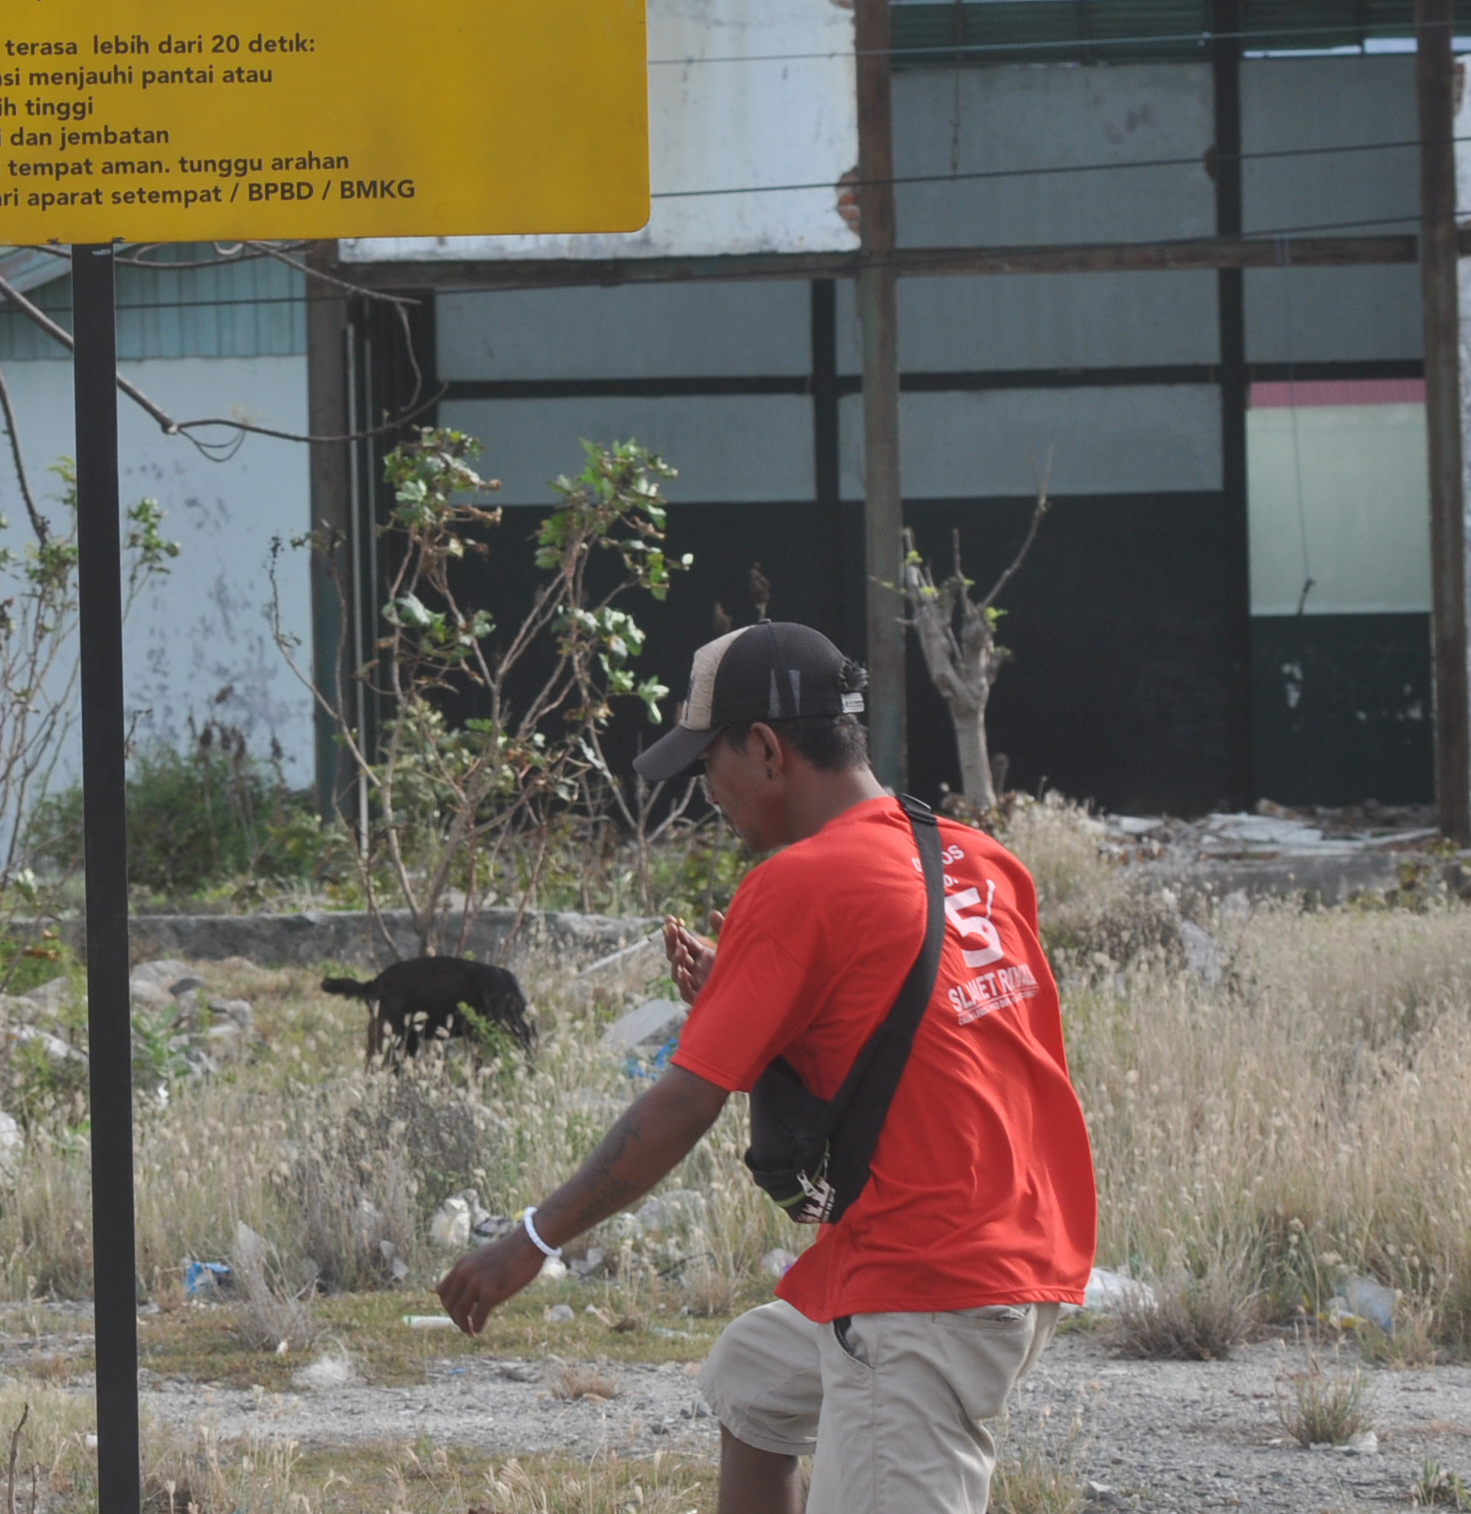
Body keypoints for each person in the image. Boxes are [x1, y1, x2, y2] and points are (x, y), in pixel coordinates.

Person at [436, 620, 1094, 1514]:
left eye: (709, 764)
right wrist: (745, 997)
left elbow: (681, 1106)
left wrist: (533, 1240)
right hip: (1024, 1242)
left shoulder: (798, 885)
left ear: (765, 748)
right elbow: (930, 1041)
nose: (708, 791)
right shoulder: (976, 858)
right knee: (753, 1379)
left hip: (926, 1283)